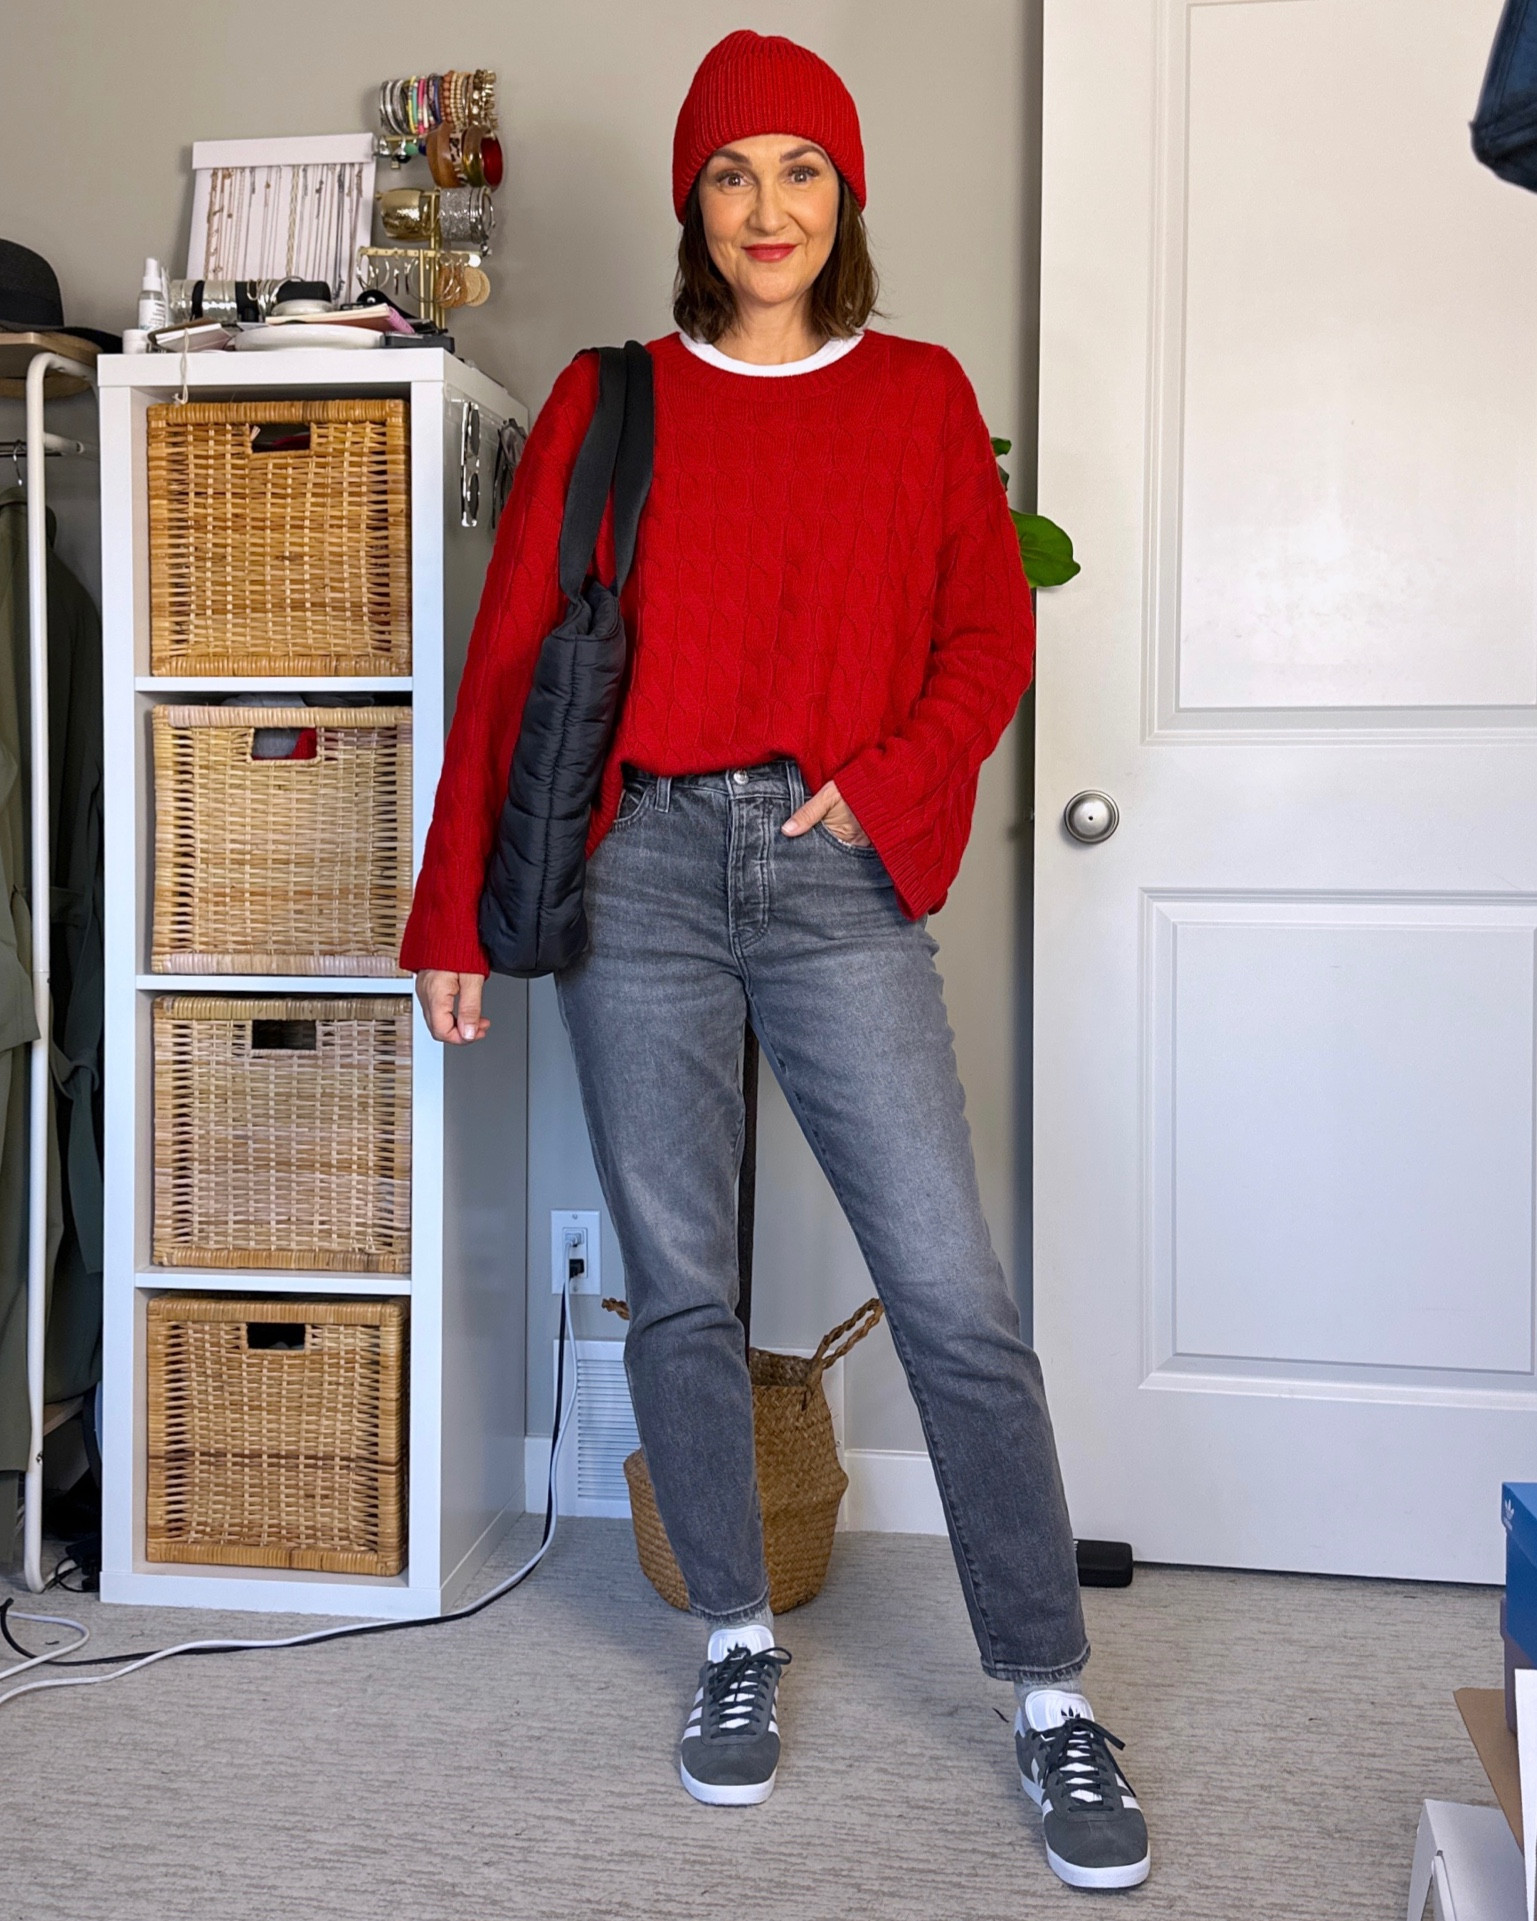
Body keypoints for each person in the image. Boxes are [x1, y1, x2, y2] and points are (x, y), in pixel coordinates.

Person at [400, 29, 1150, 1893]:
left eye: (800, 169)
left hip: (829, 873)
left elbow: (985, 639)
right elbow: (509, 667)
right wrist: (451, 919)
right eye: (731, 172)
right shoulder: (611, 401)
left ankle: (1048, 1690)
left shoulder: (914, 399)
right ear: (692, 202)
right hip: (640, 862)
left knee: (953, 1293)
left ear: (848, 197)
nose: (766, 206)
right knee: (677, 1286)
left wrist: (883, 789)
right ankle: (733, 1637)